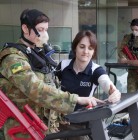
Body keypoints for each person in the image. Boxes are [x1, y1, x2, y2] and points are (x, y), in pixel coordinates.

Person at [0, 9, 104, 140]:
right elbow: (35, 89)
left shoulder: (37, 55)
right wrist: (76, 99)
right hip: (22, 130)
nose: (45, 34)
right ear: (25, 28)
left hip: (44, 127)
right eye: (41, 29)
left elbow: (52, 86)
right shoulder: (13, 58)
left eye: (46, 29)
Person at [55, 30, 121, 140]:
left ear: (93, 51)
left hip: (81, 126)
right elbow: (49, 89)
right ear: (75, 47)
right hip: (59, 122)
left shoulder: (96, 70)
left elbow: (107, 83)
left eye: (90, 48)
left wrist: (115, 92)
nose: (86, 51)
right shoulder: (63, 65)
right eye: (82, 46)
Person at [117, 18, 138, 92]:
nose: (134, 32)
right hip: (132, 70)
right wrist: (125, 59)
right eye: (132, 30)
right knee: (131, 94)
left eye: (136, 29)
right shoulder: (129, 37)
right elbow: (120, 49)